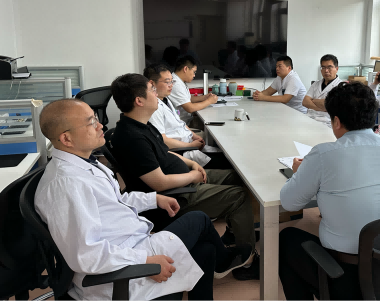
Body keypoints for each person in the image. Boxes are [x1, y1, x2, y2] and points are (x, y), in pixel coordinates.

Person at [34, 99, 251, 301]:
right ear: (66, 139)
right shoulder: (66, 184)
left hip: (131, 245)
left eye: (96, 119)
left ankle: (220, 262)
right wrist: (144, 261)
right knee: (198, 220)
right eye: (91, 122)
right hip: (120, 274)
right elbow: (86, 254)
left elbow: (116, 200)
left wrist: (154, 199)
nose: (100, 126)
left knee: (205, 251)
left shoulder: (86, 163)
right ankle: (224, 261)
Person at [109, 74, 259, 280]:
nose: (157, 94)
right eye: (152, 90)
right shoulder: (133, 138)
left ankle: (235, 234)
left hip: (183, 178)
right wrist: (191, 176)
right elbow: (159, 182)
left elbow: (163, 152)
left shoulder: (141, 124)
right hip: (175, 195)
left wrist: (191, 164)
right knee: (239, 196)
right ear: (139, 101)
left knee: (237, 177)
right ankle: (248, 261)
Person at [278, 82, 380, 301]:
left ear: (336, 121)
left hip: (347, 275)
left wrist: (299, 173)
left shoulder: (324, 154)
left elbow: (289, 203)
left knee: (287, 238)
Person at [144, 63, 230, 169]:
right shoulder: (154, 108)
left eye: (172, 81)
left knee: (226, 155)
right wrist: (190, 145)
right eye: (167, 82)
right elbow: (162, 141)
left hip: (189, 143)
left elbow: (179, 122)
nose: (171, 85)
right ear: (152, 83)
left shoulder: (165, 99)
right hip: (183, 151)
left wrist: (193, 135)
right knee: (229, 164)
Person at [168, 55, 218, 124]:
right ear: (185, 69)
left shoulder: (179, 81)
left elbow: (187, 99)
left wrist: (204, 97)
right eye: (194, 72)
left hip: (186, 121)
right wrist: (209, 101)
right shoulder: (176, 84)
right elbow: (190, 108)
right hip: (181, 124)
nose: (194, 75)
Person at [302, 54, 342, 127]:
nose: (326, 71)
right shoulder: (316, 84)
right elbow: (305, 102)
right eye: (323, 67)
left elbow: (332, 106)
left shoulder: (341, 86)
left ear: (336, 69)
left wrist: (313, 101)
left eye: (329, 67)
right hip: (309, 118)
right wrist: (324, 107)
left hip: (328, 123)